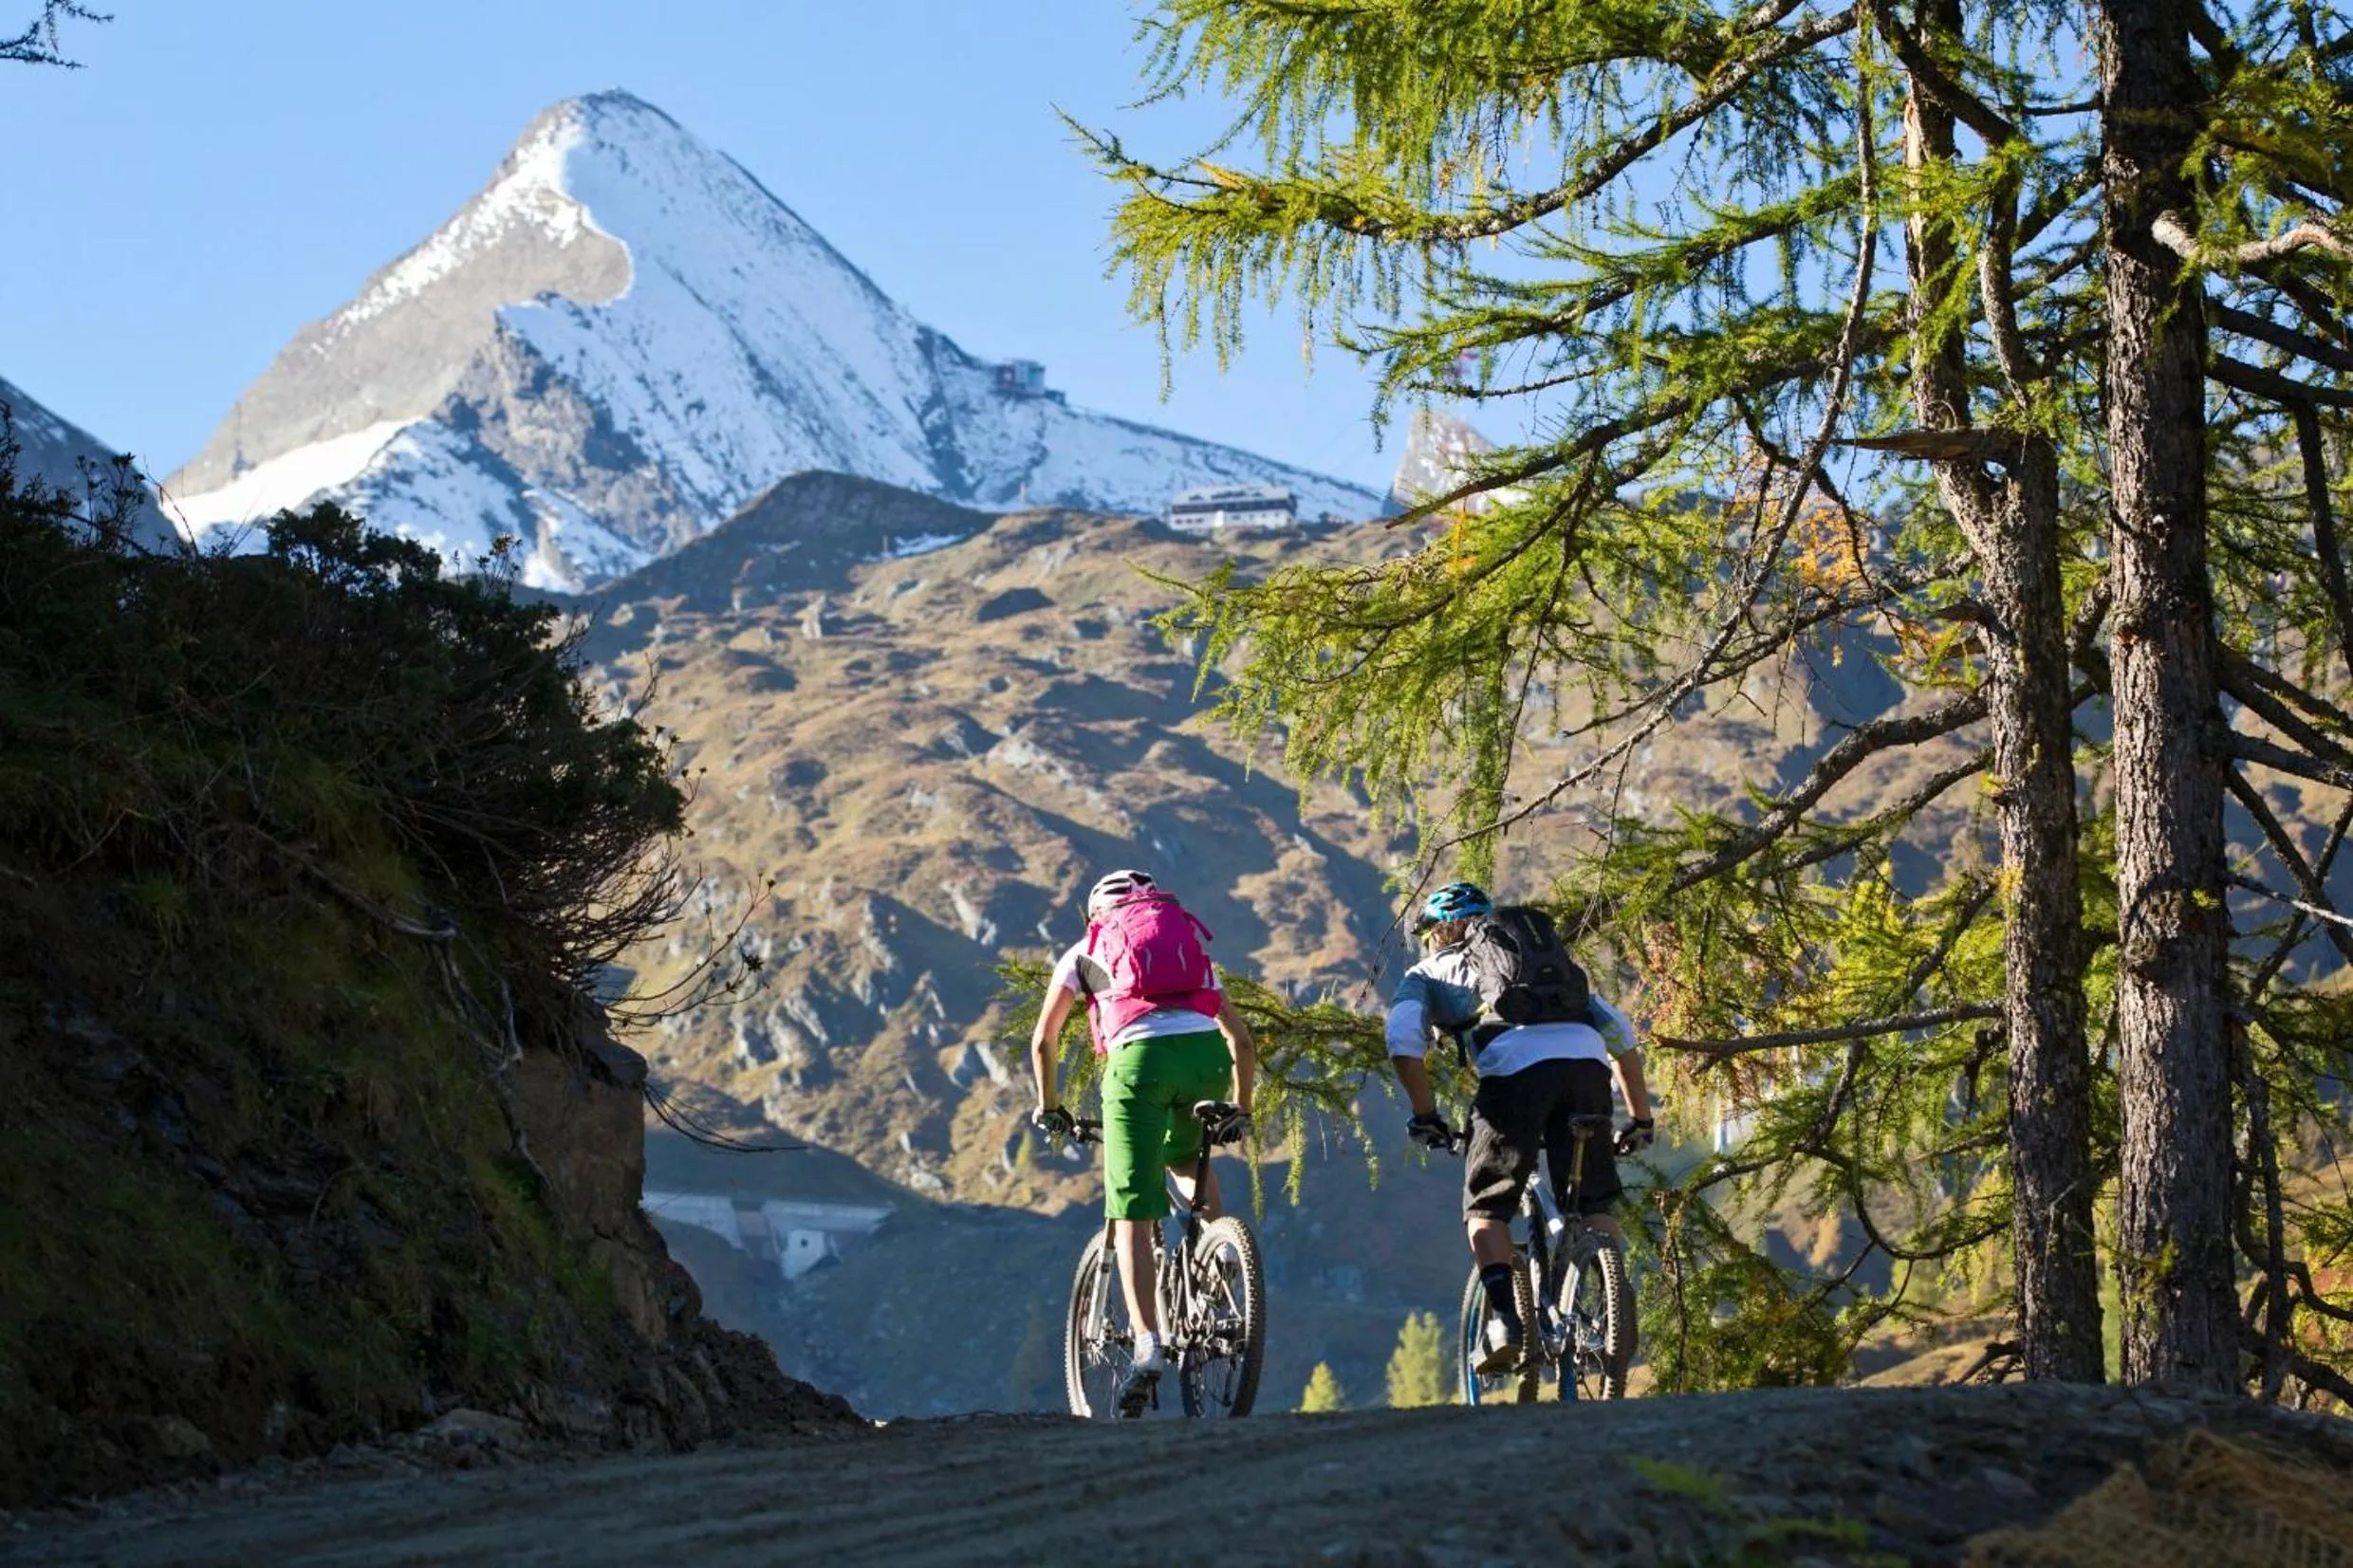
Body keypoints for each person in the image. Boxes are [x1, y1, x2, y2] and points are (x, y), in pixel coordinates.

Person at [1386, 880, 1655, 1374]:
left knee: (1486, 1208)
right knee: (1592, 1199)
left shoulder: (1427, 973)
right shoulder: (1546, 971)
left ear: (1436, 933)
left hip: (1515, 1076)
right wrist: (1640, 1118)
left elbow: (1403, 1041)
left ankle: (1506, 1324)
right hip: (1586, 1067)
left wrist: (1425, 1115)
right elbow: (1622, 1039)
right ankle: (1615, 1302)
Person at [1029, 869, 1258, 1414]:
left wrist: (1050, 1106)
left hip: (1139, 1066)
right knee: (1184, 1155)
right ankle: (1216, 1260)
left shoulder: (1085, 950)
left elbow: (1045, 1040)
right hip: (1206, 1061)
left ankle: (1148, 1344)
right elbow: (1241, 1040)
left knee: (1133, 1204)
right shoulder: (1188, 950)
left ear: (1095, 915)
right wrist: (1243, 1108)